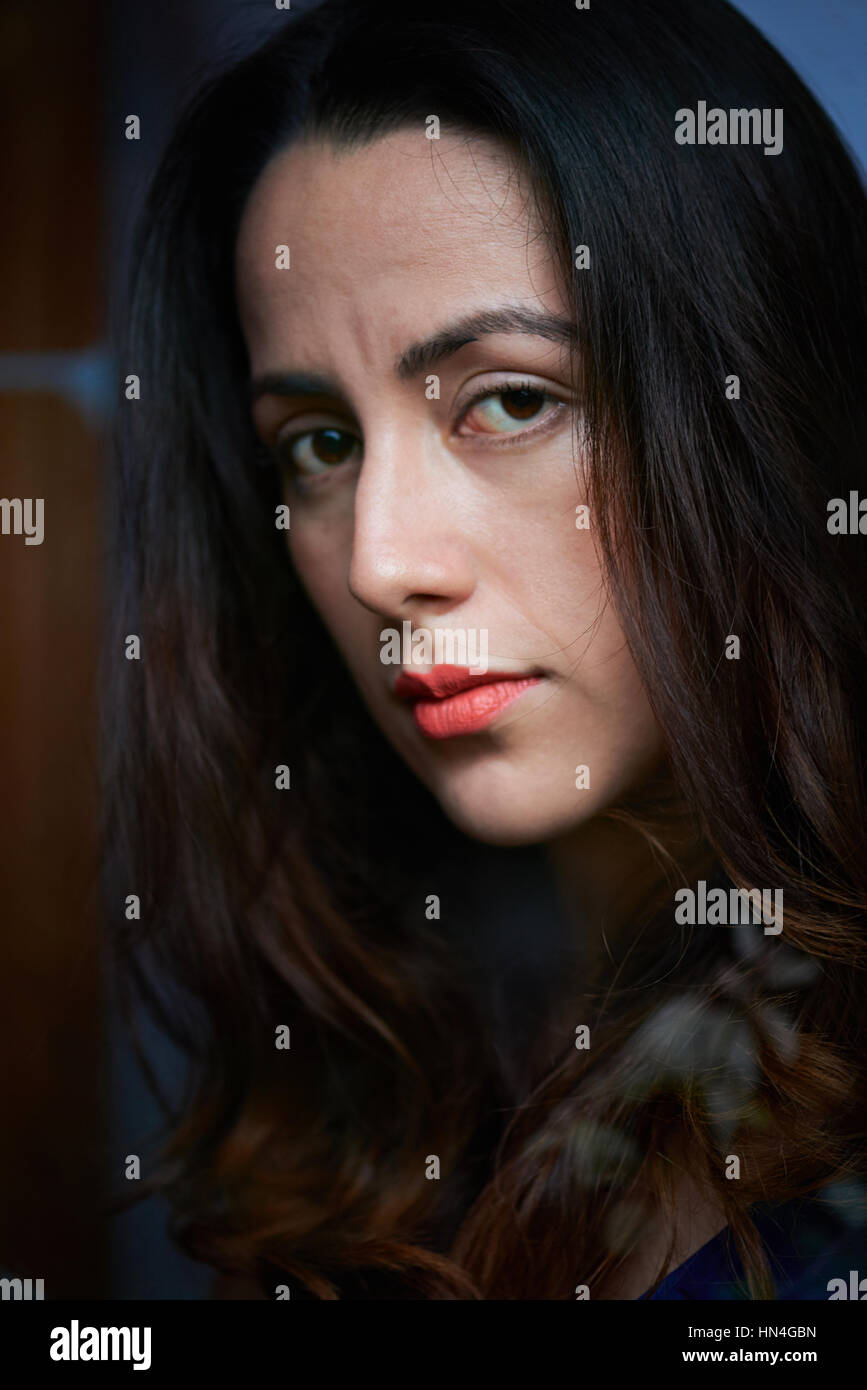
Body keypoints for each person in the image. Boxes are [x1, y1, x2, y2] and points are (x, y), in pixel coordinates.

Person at [106, 0, 867, 1299]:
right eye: (320, 443)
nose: (378, 560)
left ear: (758, 406)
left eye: (509, 400)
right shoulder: (367, 1068)